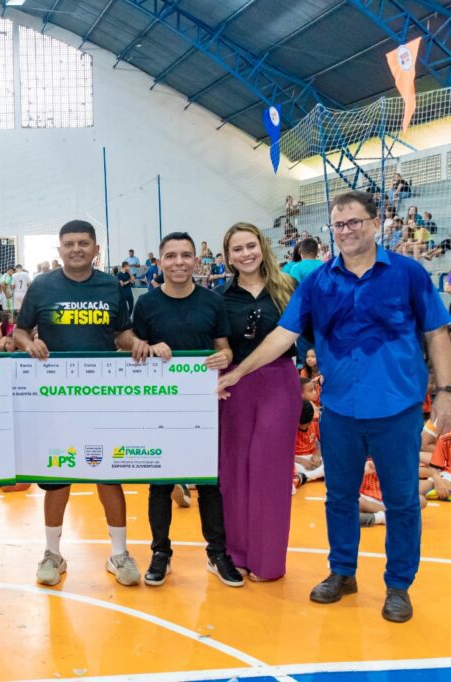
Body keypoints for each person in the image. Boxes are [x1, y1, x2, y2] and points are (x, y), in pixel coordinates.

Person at [218, 190, 451, 623]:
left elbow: (437, 331)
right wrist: (239, 372)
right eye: (339, 224)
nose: (346, 231)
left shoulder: (408, 274)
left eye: (354, 222)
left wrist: (446, 391)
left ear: (375, 222)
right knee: (339, 497)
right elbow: (283, 336)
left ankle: (398, 585)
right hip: (341, 409)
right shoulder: (318, 282)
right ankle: (343, 572)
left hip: (397, 408)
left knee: (401, 501)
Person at [13, 220, 143, 589]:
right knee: (57, 476)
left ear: (96, 249)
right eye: (69, 244)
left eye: (83, 243)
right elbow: (20, 330)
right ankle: (52, 554)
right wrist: (28, 344)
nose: (76, 249)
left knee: (108, 472)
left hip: (101, 396)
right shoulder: (43, 286)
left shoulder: (112, 286)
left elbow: (121, 333)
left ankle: (119, 553)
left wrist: (136, 343)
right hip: (54, 397)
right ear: (59, 250)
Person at [131, 231, 244, 588]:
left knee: (209, 483)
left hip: (202, 408)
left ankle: (217, 553)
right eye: (171, 255)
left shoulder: (212, 302)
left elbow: (224, 348)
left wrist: (224, 356)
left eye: (185, 255)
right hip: (159, 407)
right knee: (160, 484)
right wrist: (148, 347)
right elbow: (133, 348)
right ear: (159, 262)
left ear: (196, 260)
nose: (178, 262)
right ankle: (160, 552)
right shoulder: (146, 305)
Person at [215, 223, 301, 581]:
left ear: (262, 246)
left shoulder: (288, 287)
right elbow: (216, 343)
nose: (246, 254)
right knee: (233, 470)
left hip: (279, 382)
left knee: (271, 470)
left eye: (251, 245)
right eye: (237, 249)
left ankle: (267, 561)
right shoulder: (220, 297)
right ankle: (236, 554)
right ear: (228, 256)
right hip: (234, 384)